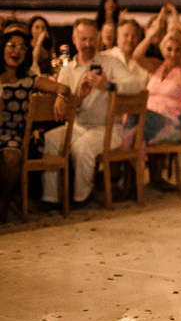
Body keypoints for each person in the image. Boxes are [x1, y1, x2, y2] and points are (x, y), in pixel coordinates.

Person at [40, 19, 143, 207]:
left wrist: (109, 85)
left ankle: (81, 198)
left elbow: (136, 84)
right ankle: (51, 199)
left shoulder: (109, 63)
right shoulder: (67, 70)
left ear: (98, 40)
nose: (88, 44)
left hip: (109, 129)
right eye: (83, 39)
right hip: (78, 125)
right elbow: (66, 110)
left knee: (82, 148)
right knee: (50, 140)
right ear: (74, 39)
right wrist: (78, 97)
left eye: (92, 39)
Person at [128, 10, 181, 190]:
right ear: (163, 49)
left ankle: (130, 179)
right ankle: (138, 178)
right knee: (132, 121)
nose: (173, 54)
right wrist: (151, 35)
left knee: (132, 123)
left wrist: (180, 27)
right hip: (149, 120)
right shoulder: (156, 66)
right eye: (169, 49)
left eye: (178, 50)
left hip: (172, 124)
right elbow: (136, 56)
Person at [0, 24, 69, 222]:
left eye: (22, 48)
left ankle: (4, 201)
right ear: (2, 47)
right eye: (12, 45)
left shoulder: (29, 78)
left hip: (14, 137)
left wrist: (61, 96)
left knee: (11, 156)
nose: (16, 51)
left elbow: (63, 87)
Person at [103, 18, 149, 86]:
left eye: (134, 36)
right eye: (126, 35)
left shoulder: (145, 64)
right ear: (117, 38)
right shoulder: (104, 58)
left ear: (139, 39)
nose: (130, 39)